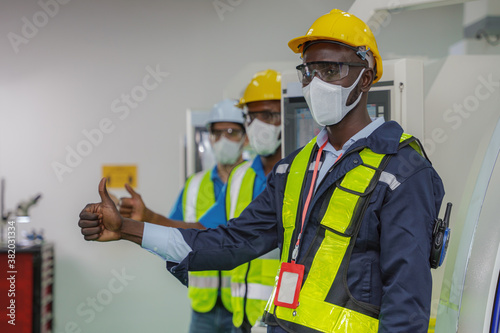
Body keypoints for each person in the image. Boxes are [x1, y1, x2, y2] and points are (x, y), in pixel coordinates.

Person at [78, 9, 445, 333]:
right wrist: (125, 228)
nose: (317, 84)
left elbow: (407, 302)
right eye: (309, 71)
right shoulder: (295, 168)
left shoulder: (401, 169)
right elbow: (232, 242)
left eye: (331, 70)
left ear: (365, 79)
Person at [119, 98, 246, 333]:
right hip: (203, 305)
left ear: (246, 137)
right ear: (209, 137)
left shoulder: (256, 182)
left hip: (246, 304)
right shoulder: (194, 185)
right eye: (217, 133)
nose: (224, 139)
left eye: (232, 132)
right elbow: (176, 232)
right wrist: (146, 215)